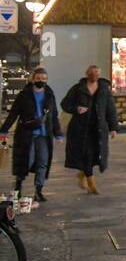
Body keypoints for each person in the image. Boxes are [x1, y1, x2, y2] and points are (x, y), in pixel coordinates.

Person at [0, 66, 63, 202]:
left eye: (44, 79)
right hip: (26, 134)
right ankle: (18, 187)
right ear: (33, 79)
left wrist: (58, 134)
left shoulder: (49, 95)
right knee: (26, 161)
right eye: (39, 78)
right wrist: (3, 130)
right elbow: (13, 114)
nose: (42, 81)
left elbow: (54, 116)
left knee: (43, 162)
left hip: (44, 135)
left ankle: (38, 190)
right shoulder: (24, 95)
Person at [61, 64, 119, 194]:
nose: (94, 75)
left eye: (96, 73)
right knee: (86, 154)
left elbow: (110, 109)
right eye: (91, 73)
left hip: (98, 129)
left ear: (99, 75)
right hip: (81, 129)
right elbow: (65, 104)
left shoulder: (104, 90)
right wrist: (77, 108)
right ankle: (91, 183)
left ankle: (82, 174)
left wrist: (113, 127)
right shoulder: (77, 89)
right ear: (87, 74)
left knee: (94, 155)